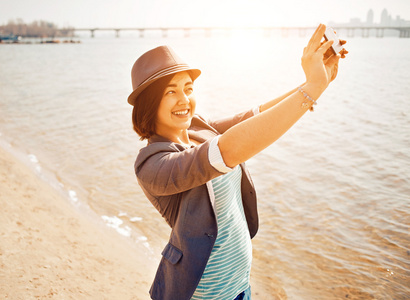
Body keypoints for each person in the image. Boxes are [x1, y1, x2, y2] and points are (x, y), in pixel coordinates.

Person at [128, 24, 347, 300]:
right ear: (149, 103)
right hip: (205, 293)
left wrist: (317, 83)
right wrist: (311, 89)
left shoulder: (198, 127)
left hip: (240, 283)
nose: (184, 99)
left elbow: (253, 117)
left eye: (188, 88)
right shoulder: (151, 164)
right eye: (171, 91)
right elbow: (229, 148)